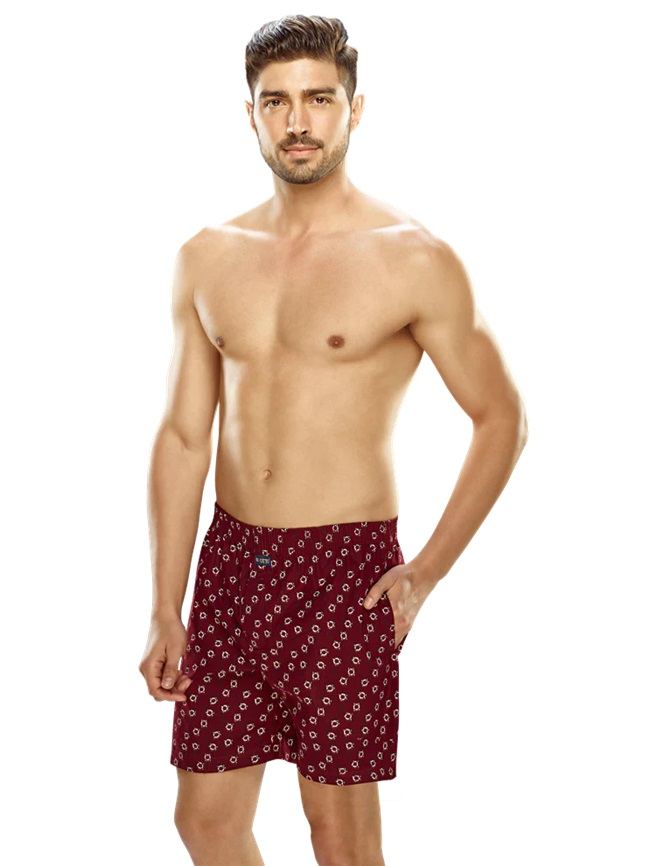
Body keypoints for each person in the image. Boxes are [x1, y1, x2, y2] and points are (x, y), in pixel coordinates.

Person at [139, 13, 528, 866]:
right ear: (250, 115)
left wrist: (426, 570)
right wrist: (167, 604)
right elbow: (183, 437)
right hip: (232, 564)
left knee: (340, 840)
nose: (297, 121)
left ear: (355, 109)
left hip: (344, 573)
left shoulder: (414, 258)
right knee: (205, 821)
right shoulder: (207, 255)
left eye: (318, 99)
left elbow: (503, 417)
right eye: (275, 102)